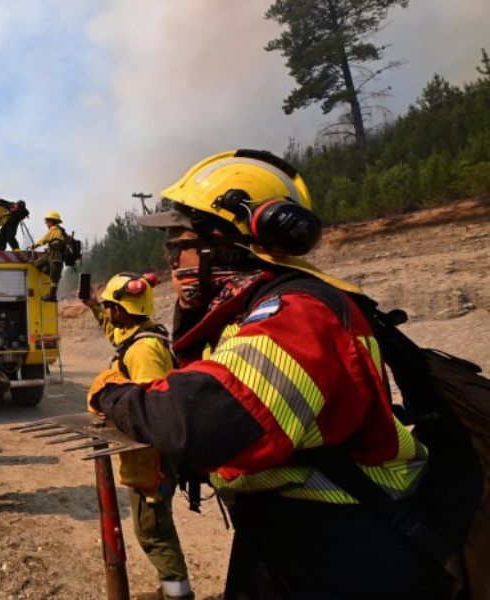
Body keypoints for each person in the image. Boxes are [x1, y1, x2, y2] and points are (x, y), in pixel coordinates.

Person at [89, 149, 448, 599]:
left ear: (223, 243)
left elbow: (205, 419)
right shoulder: (255, 312)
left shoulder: (300, 313)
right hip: (289, 531)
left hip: (342, 545)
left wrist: (113, 396)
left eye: (178, 245)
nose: (171, 260)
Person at [84, 273, 193, 600]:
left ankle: (177, 594)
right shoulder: (140, 334)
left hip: (152, 457)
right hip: (152, 453)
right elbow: (115, 335)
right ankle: (172, 589)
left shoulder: (144, 351)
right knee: (155, 526)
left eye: (109, 307)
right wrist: (92, 306)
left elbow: (150, 409)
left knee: (152, 530)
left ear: (120, 309)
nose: (109, 314)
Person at [30, 210, 66, 302]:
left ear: (52, 221)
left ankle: (52, 296)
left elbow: (44, 239)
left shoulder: (54, 229)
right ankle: (55, 275)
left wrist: (35, 245)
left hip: (56, 256)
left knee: (54, 277)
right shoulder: (57, 230)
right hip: (51, 254)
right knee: (38, 264)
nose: (46, 223)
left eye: (47, 221)